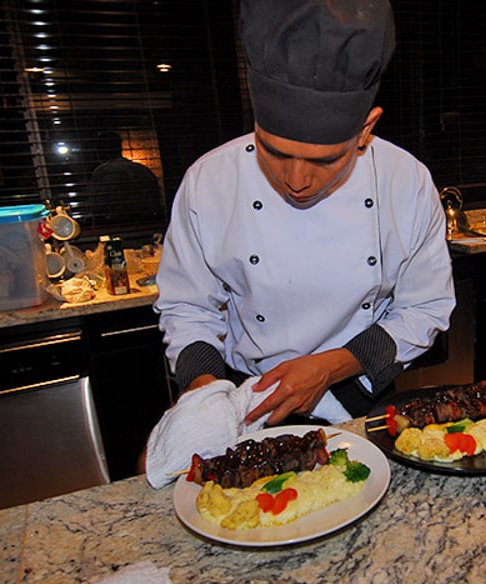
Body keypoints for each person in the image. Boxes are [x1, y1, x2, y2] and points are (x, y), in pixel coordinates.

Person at [154, 0, 455, 427]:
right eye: (274, 152)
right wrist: (205, 393)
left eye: (325, 160)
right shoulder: (210, 181)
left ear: (366, 129)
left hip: (360, 390)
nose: (296, 180)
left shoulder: (405, 182)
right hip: (249, 398)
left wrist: (330, 367)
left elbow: (425, 308)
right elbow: (187, 307)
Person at [87, 131, 162, 225]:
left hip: (118, 225)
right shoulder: (143, 170)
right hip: (147, 224)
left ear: (100, 151)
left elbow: (97, 207)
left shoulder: (103, 171)